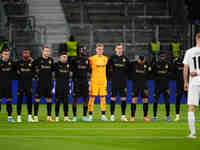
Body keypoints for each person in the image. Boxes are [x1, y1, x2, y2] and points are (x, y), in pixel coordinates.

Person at [183, 33, 200, 139]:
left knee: (191, 107)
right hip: (195, 79)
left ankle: (192, 133)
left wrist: (185, 82)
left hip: (194, 81)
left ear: (196, 39)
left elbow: (185, 68)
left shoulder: (189, 51)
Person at [107, 43, 129, 121]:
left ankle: (123, 116)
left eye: (121, 48)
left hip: (123, 81)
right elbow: (108, 69)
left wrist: (125, 78)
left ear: (122, 49)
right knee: (113, 98)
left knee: (123, 98)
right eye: (118, 48)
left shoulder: (125, 59)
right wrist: (110, 78)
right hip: (114, 81)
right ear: (115, 49)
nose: (119, 50)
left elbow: (128, 70)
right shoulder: (112, 58)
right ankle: (112, 115)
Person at [33, 46, 55, 122]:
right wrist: (35, 76)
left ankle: (49, 117)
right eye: (46, 51)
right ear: (43, 51)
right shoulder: (38, 60)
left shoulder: (51, 60)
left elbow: (52, 71)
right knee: (37, 99)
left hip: (48, 83)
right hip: (40, 83)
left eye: (48, 51)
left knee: (49, 100)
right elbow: (32, 69)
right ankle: (35, 117)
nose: (47, 52)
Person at [88, 43, 108, 121]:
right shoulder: (91, 59)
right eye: (99, 49)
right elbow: (88, 69)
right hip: (94, 81)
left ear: (103, 50)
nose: (100, 50)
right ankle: (90, 115)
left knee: (103, 98)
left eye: (101, 49)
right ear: (96, 50)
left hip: (103, 81)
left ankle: (103, 115)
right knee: (92, 98)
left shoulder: (106, 59)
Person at [130, 55, 152, 122]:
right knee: (134, 100)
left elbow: (150, 73)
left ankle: (145, 117)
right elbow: (128, 71)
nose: (142, 61)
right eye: (140, 60)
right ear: (138, 59)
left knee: (145, 100)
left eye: (143, 60)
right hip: (135, 85)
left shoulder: (147, 65)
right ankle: (132, 117)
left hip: (144, 85)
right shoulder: (133, 64)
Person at [71, 46, 89, 122]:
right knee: (75, 99)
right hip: (77, 81)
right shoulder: (74, 59)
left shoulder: (87, 60)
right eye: (82, 50)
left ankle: (84, 116)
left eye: (84, 50)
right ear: (79, 51)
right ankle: (74, 116)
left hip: (85, 81)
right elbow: (71, 69)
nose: (84, 51)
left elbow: (89, 70)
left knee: (85, 99)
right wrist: (74, 79)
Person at [152, 53, 172, 122]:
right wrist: (157, 78)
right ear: (159, 57)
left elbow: (171, 73)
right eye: (161, 57)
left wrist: (166, 77)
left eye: (163, 57)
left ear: (165, 57)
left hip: (166, 86)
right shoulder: (156, 64)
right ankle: (154, 116)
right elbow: (152, 74)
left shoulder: (168, 64)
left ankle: (168, 116)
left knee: (167, 101)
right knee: (155, 101)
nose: (162, 58)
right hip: (157, 86)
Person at [16, 49, 34, 122]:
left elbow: (35, 71)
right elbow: (16, 72)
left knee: (29, 101)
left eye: (27, 53)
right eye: (25, 53)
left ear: (29, 54)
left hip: (29, 85)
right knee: (19, 100)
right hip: (21, 84)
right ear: (22, 54)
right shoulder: (19, 62)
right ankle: (18, 117)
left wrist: (33, 61)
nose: (26, 54)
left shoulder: (32, 62)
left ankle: (29, 117)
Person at [54, 51, 71, 122]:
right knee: (57, 102)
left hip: (66, 86)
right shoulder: (56, 64)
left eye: (65, 57)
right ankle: (57, 117)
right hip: (58, 86)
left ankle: (66, 117)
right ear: (60, 58)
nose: (64, 58)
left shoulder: (69, 65)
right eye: (63, 57)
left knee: (66, 102)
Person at [0, 49, 16, 122]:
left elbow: (17, 71)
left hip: (8, 85)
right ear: (2, 55)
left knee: (9, 102)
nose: (6, 56)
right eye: (5, 54)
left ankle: (9, 117)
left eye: (8, 54)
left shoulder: (12, 63)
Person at [172, 56, 187, 121]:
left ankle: (191, 116)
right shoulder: (176, 63)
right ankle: (177, 116)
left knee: (190, 101)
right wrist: (174, 61)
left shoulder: (187, 63)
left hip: (186, 85)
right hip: (178, 86)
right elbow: (172, 71)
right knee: (177, 101)